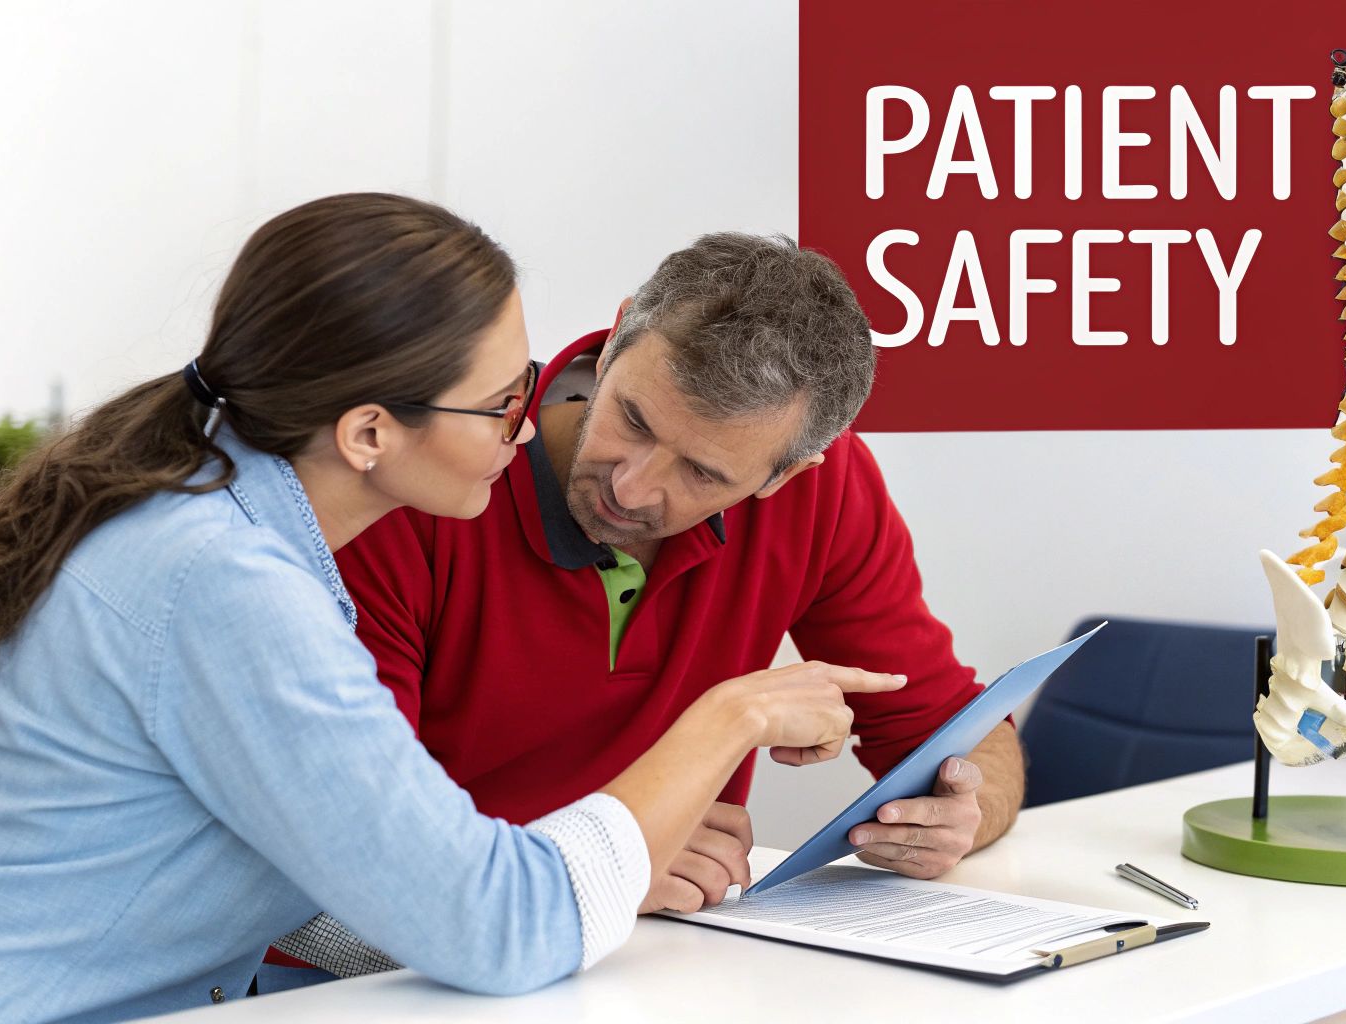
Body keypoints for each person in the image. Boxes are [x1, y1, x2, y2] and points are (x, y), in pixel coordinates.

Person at [0, 195, 899, 1022]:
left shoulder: (216, 525)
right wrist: (734, 715)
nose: (535, 421)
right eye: (505, 399)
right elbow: (498, 927)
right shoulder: (226, 587)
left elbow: (368, 875)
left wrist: (560, 873)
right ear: (367, 432)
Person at [272, 231, 1022, 980]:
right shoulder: (420, 482)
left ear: (786, 475)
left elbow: (958, 733)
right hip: (369, 983)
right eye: (633, 418)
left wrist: (960, 814)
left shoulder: (826, 494)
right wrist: (613, 857)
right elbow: (343, 850)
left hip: (642, 970)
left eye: (700, 470)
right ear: (618, 337)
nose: (631, 488)